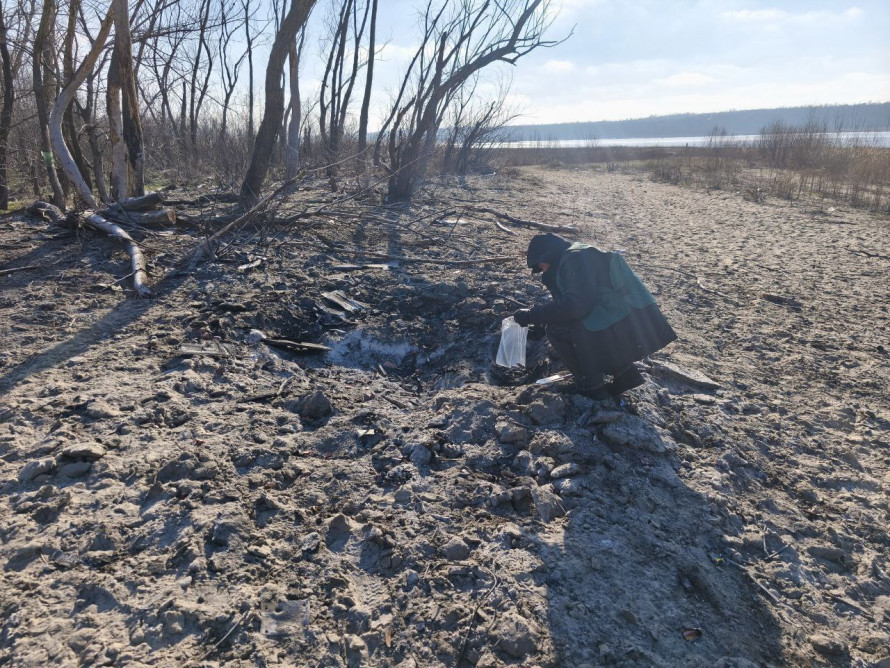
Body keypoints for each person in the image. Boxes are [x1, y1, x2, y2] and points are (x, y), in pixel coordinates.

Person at [513, 233, 677, 398]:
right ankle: (626, 375)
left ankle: (590, 387)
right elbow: (579, 304)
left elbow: (576, 306)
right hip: (634, 318)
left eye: (542, 266)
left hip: (633, 322)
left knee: (557, 330)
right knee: (582, 324)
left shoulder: (574, 260)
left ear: (549, 255)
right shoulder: (574, 255)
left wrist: (531, 316)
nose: (543, 270)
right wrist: (539, 322)